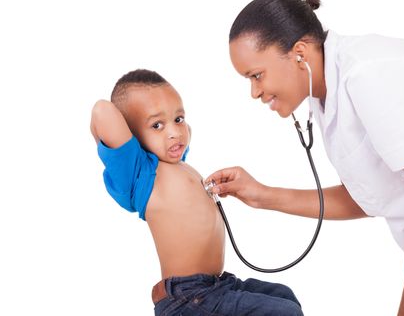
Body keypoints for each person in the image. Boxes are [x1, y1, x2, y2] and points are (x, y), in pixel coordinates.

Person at [205, 0, 404, 316]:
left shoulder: (369, 73)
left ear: (299, 53)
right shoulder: (328, 92)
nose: (255, 92)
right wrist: (262, 196)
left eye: (256, 75)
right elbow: (371, 197)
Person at [91, 69, 303, 316]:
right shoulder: (140, 174)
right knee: (283, 312)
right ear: (132, 137)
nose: (174, 131)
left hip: (216, 285)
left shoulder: (180, 165)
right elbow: (101, 110)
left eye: (178, 119)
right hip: (188, 298)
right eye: (157, 125)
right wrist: (130, 141)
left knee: (284, 296)